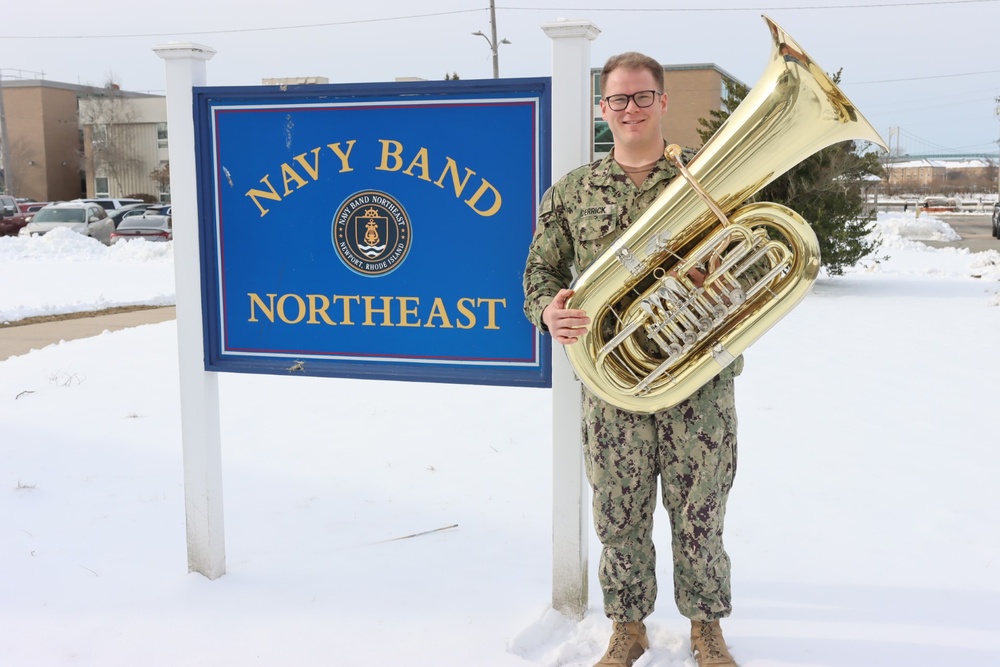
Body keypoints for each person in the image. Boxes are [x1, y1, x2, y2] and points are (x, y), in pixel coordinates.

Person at [522, 52, 742, 667]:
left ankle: (706, 626)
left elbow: (747, 260)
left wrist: (714, 280)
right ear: (602, 108)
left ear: (663, 102)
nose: (629, 109)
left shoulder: (709, 176)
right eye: (617, 99)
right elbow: (539, 273)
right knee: (618, 511)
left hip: (697, 378)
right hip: (614, 383)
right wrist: (548, 311)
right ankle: (627, 626)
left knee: (701, 509)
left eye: (642, 97)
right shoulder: (572, 191)